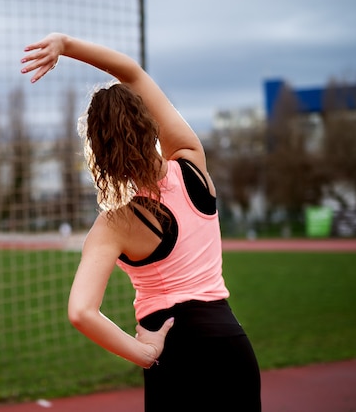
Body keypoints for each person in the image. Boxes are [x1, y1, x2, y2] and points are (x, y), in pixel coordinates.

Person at [21, 33, 261, 411]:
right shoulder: (192, 162)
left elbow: (81, 312)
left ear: (98, 154)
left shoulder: (115, 223)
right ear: (149, 124)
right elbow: (130, 71)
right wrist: (65, 45)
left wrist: (144, 354)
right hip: (232, 345)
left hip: (176, 354)